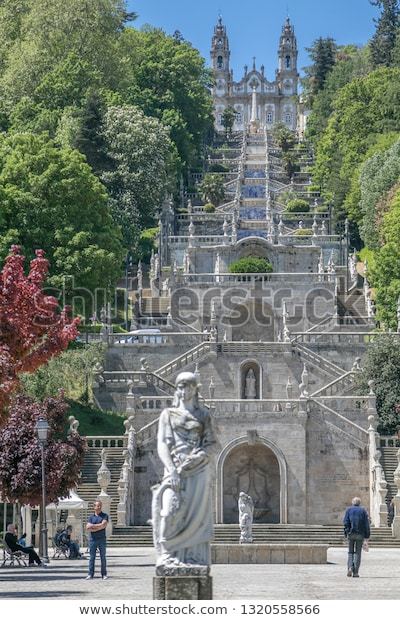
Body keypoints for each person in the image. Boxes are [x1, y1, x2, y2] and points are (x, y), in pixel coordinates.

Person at [152, 371, 217, 570]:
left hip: (197, 470)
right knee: (169, 510)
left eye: (188, 385)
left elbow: (211, 443)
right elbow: (162, 444)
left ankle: (194, 557)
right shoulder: (168, 415)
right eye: (180, 386)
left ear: (195, 389)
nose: (184, 389)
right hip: (175, 468)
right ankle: (166, 553)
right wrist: (171, 470)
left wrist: (202, 455)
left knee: (197, 516)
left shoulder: (203, 415)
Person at [343, 497, 370, 578]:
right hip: (360, 534)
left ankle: (350, 567)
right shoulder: (363, 511)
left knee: (350, 552)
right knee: (358, 553)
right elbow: (366, 524)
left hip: (351, 534)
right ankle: (355, 572)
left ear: (352, 502)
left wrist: (347, 532)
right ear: (359, 503)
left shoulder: (348, 510)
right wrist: (367, 535)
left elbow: (345, 522)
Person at [86, 500, 108, 579]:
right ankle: (90, 574)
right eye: (97, 506)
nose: (99, 507)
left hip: (102, 539)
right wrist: (99, 527)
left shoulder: (105, 516)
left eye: (100, 506)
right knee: (92, 557)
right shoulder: (91, 517)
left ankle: (104, 574)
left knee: (103, 557)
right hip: (93, 540)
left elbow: (104, 525)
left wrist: (93, 526)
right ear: (94, 507)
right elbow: (88, 527)